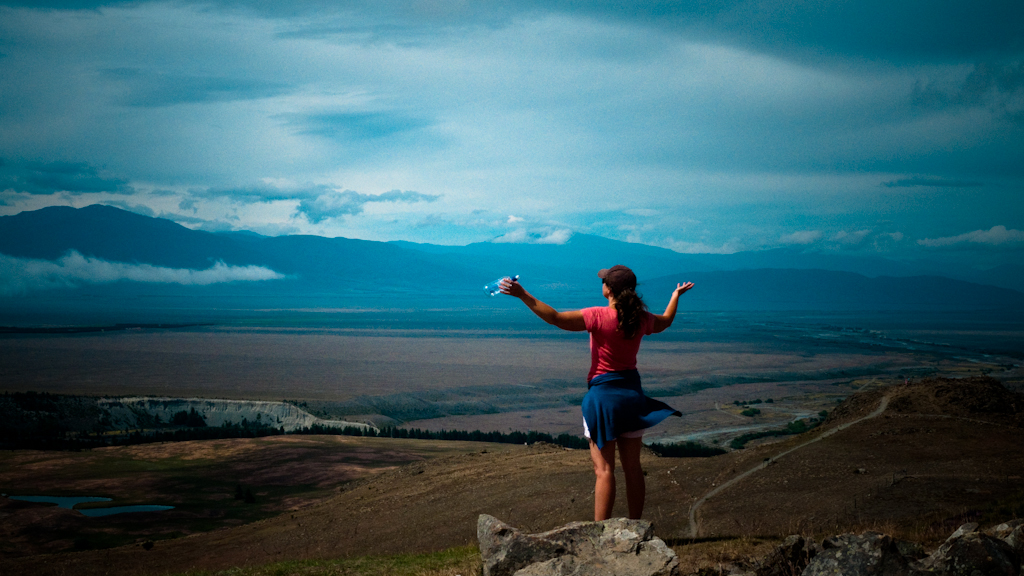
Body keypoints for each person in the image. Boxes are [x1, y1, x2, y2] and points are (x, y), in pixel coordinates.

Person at [500, 265, 694, 521]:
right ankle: (636, 527)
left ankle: (599, 535)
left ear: (609, 290)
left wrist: (523, 295)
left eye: (603, 281)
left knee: (604, 471)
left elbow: (556, 318)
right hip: (632, 398)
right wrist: (674, 296)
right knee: (633, 468)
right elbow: (666, 321)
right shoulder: (641, 318)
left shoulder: (597, 316)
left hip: (603, 400)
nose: (601, 284)